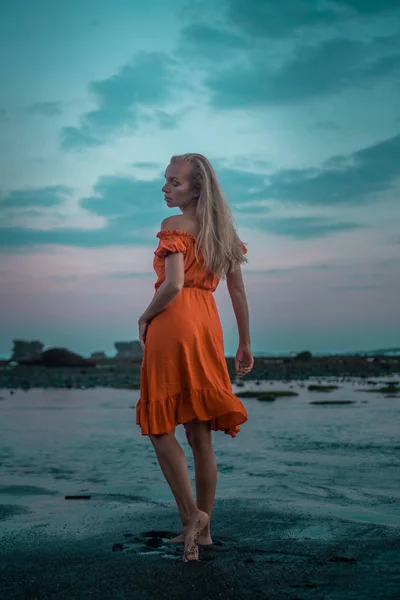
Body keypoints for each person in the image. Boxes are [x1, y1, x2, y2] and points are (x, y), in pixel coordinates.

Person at [136, 153, 254, 562]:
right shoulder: (223, 231)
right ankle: (204, 534)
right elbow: (237, 291)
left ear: (197, 189)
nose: (165, 188)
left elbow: (172, 286)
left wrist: (145, 315)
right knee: (200, 437)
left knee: (158, 426)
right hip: (208, 325)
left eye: (174, 182)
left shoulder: (173, 226)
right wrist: (245, 345)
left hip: (174, 322)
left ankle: (191, 515)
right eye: (166, 180)